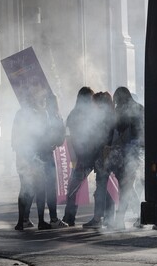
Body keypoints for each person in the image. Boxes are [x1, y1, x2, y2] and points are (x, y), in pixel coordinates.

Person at [12, 80, 68, 230]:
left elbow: (15, 138)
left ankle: (21, 221)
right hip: (39, 155)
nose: (42, 97)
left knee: (26, 188)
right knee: (40, 188)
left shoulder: (21, 113)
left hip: (24, 155)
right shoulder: (42, 114)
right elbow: (46, 135)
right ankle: (41, 221)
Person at [108, 87, 144, 230]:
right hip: (141, 151)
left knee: (125, 187)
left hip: (127, 153)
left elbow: (115, 131)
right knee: (131, 186)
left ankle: (120, 220)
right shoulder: (140, 108)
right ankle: (141, 216)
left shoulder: (121, 112)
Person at [81, 91, 117, 228]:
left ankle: (98, 219)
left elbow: (99, 140)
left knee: (101, 189)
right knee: (107, 190)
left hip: (103, 158)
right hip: (109, 158)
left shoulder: (103, 119)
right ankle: (109, 219)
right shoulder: (112, 116)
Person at [62, 87, 95, 226]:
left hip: (83, 156)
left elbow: (68, 138)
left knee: (73, 188)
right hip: (87, 155)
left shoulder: (75, 114)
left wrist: (73, 157)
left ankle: (69, 217)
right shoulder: (90, 114)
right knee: (104, 186)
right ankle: (70, 216)